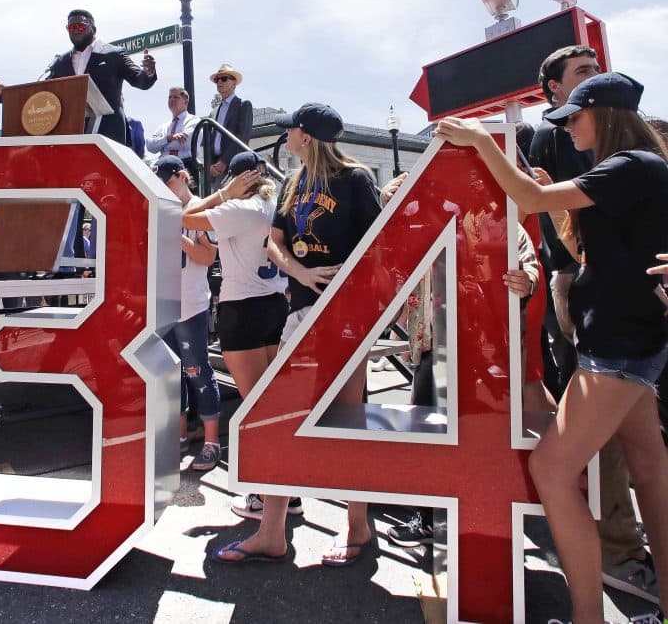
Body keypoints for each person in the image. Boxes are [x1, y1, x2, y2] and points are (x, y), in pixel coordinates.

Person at [435, 72, 668, 624]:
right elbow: (582, 244)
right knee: (650, 470)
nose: (567, 128)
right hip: (629, 340)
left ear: (606, 116)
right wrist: (553, 206)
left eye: (573, 117)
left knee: (552, 470)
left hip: (618, 345)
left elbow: (530, 197)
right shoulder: (632, 171)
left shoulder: (630, 165)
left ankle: (588, 617)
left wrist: (478, 142)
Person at [214, 104, 383, 565]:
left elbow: (377, 245)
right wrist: (300, 275)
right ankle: (272, 532)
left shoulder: (356, 179)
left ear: (305, 136)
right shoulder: (292, 182)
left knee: (348, 421)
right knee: (279, 417)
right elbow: (276, 242)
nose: (285, 137)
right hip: (302, 309)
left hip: (345, 316)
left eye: (290, 130)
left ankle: (358, 526)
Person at [181, 151, 287, 472]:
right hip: (276, 306)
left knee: (256, 407)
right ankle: (286, 492)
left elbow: (182, 216)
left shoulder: (240, 206)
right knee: (273, 402)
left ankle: (269, 492)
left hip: (244, 309)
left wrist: (224, 193)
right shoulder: (276, 206)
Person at [530, 45, 602, 396]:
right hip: (578, 272)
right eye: (583, 71)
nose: (595, 74)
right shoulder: (557, 134)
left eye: (596, 68)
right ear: (555, 86)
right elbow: (565, 209)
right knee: (584, 377)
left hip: (602, 270)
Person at [0, 9, 157, 146]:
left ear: (93, 29)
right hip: (70, 135)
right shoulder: (60, 62)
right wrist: (5, 93)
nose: (75, 31)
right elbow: (40, 94)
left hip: (107, 134)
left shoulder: (113, 54)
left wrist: (148, 73)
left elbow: (140, 80)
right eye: (71, 28)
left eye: (80, 26)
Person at [152, 156, 222, 470]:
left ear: (182, 177)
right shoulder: (158, 208)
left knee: (198, 372)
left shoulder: (198, 209)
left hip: (191, 304)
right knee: (169, 377)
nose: (163, 188)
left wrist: (177, 236)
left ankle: (211, 441)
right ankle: (179, 435)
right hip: (165, 304)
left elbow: (207, 257)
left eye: (167, 181)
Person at [207, 64, 253, 189]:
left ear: (234, 83)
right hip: (216, 170)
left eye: (224, 78)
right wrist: (211, 165)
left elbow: (242, 137)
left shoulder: (244, 105)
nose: (219, 82)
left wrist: (223, 162)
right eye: (217, 79)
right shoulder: (213, 112)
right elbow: (209, 141)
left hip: (235, 167)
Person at [147, 86, 201, 179]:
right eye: (170, 97)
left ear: (186, 102)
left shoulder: (194, 120)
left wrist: (163, 144)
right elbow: (150, 146)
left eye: (176, 97)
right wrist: (169, 138)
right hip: (163, 167)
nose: (171, 100)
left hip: (186, 166)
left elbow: (187, 142)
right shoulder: (164, 126)